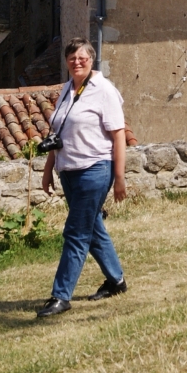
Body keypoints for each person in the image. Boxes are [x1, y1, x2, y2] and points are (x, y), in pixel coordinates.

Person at [36, 38, 128, 319]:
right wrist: (48, 169)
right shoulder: (66, 90)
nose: (77, 62)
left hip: (95, 170)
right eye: (72, 58)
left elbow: (118, 134)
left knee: (75, 233)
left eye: (82, 57)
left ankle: (61, 296)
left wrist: (120, 178)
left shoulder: (104, 91)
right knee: (92, 227)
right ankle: (116, 281)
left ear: (92, 59)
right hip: (69, 171)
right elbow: (58, 136)